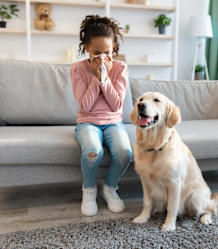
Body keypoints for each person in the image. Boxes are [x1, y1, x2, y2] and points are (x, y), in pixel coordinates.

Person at [70, 15, 133, 217]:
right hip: (88, 122)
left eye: (107, 52)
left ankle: (109, 187)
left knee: (125, 153)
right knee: (92, 152)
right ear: (86, 48)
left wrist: (104, 78)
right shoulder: (78, 69)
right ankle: (89, 190)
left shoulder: (120, 68)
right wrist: (96, 79)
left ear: (114, 48)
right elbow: (86, 107)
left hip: (113, 122)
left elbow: (116, 105)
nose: (102, 58)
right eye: (96, 53)